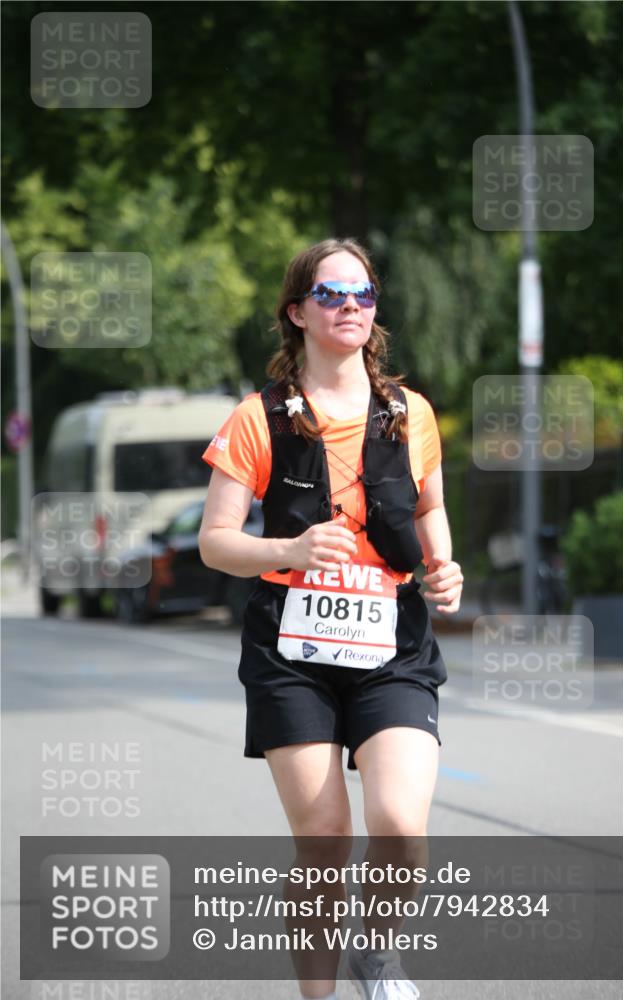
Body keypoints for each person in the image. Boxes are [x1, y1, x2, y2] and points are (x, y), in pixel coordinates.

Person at [199, 238, 464, 1000]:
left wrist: (441, 565)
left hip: (391, 645)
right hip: (293, 650)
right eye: (332, 293)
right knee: (322, 844)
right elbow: (216, 544)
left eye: (364, 293)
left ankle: (375, 953)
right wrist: (287, 545)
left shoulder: (407, 413)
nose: (351, 304)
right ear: (297, 312)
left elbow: (429, 504)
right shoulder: (257, 419)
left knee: (398, 828)